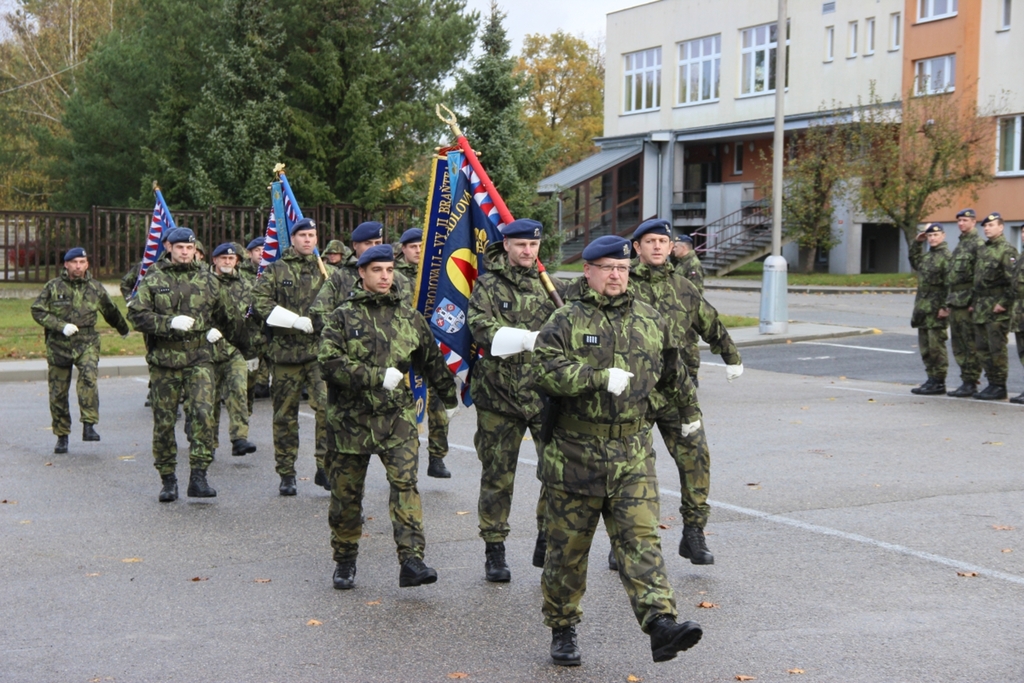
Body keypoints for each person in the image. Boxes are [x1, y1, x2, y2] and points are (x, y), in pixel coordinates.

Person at [533, 234, 703, 666]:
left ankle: (661, 623)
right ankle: (562, 626)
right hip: (575, 455)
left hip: (632, 454)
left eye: (623, 268)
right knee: (567, 552)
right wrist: (596, 378)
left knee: (641, 540)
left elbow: (674, 374)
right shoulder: (565, 319)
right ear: (588, 271)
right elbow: (544, 371)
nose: (616, 275)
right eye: (608, 268)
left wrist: (688, 416)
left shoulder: (649, 319)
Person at [318, 244, 457, 590]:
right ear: (362, 273)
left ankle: (411, 559)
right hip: (350, 422)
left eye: (389, 270)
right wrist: (375, 376)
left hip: (397, 420)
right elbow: (329, 363)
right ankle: (345, 558)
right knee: (346, 496)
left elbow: (432, 360)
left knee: (405, 486)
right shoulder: (342, 317)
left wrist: (450, 397)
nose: (385, 277)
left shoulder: (409, 317)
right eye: (377, 270)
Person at [628, 218, 742, 567]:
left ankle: (694, 532)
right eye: (650, 241)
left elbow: (710, 321)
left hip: (677, 392)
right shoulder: (622, 282)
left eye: (663, 241)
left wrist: (731, 356)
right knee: (631, 470)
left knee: (696, 459)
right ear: (637, 247)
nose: (658, 246)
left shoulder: (683, 286)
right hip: (633, 393)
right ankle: (627, 540)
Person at [468, 218, 566, 582]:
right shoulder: (488, 285)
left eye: (533, 245)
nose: (528, 251)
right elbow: (480, 327)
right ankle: (494, 549)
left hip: (544, 395)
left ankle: (546, 536)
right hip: (499, 396)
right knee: (497, 477)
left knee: (555, 471)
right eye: (521, 244)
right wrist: (524, 338)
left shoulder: (551, 285)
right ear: (506, 245)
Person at [127, 228, 233, 501]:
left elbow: (226, 315)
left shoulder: (208, 279)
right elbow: (136, 315)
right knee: (164, 422)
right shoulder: (154, 277)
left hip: (200, 358)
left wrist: (219, 331)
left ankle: (198, 476)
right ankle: (168, 479)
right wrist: (168, 323)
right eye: (180, 247)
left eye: (189, 247)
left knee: (203, 415)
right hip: (165, 361)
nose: (185, 252)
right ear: (169, 247)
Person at [251, 217, 330, 495]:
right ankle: (286, 472)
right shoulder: (276, 269)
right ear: (292, 239)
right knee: (285, 415)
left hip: (319, 354)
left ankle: (324, 466)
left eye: (312, 235)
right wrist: (292, 320)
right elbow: (259, 302)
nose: (308, 240)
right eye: (303, 235)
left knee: (327, 409)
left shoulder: (325, 270)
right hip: (286, 355)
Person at [31, 247, 130, 454]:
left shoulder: (95, 287)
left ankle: (89, 424)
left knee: (88, 378)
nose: (78, 266)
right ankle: (62, 435)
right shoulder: (53, 286)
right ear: (66, 264)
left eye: (82, 262)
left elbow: (110, 310)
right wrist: (60, 326)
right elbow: (38, 310)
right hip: (59, 344)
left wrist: (123, 329)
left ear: (87, 264)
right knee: (58, 391)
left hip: (87, 342)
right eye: (74, 262)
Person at [394, 227, 451, 478]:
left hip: (435, 350)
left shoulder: (437, 274)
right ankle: (408, 461)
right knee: (408, 411)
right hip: (407, 353)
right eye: (413, 246)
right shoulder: (394, 276)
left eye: (422, 246)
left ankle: (437, 458)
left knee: (439, 409)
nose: (418, 250)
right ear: (403, 249)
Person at [311, 221, 412, 332]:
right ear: (355, 245)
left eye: (378, 243)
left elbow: (410, 316)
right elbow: (318, 315)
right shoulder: (339, 278)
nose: (374, 248)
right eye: (368, 243)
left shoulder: (399, 279)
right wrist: (352, 327)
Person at [209, 243, 258, 456]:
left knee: (238, 390)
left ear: (237, 261)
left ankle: (239, 438)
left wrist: (252, 350)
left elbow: (253, 318)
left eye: (231, 259)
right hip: (207, 350)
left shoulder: (246, 285)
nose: (227, 262)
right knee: (209, 399)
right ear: (214, 260)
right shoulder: (203, 282)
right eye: (223, 258)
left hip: (235, 348)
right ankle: (208, 442)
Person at [971, 213, 1018, 400]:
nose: (987, 228)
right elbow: (978, 281)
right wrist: (974, 303)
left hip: (997, 307)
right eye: (985, 226)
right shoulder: (983, 250)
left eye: (991, 225)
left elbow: (1014, 281)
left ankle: (999, 385)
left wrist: (1004, 303)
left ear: (1001, 227)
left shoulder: (1007, 250)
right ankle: (991, 383)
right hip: (982, 306)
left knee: (996, 347)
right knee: (982, 347)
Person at [941, 209, 984, 397]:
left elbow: (980, 276)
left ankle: (971, 381)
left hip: (968, 302)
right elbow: (953, 278)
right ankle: (966, 379)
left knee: (970, 343)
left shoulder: (977, 245)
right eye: (959, 220)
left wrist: (975, 301)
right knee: (958, 344)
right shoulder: (961, 244)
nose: (961, 223)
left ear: (974, 222)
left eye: (965, 220)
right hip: (956, 301)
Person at [908, 224, 951, 395]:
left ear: (943, 235)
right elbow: (914, 261)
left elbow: (950, 284)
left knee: (936, 347)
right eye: (930, 235)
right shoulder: (927, 256)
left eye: (936, 235)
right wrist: (917, 243)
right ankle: (931, 378)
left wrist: (945, 306)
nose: (932, 238)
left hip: (936, 308)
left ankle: (939, 381)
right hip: (923, 308)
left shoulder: (946, 257)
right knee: (925, 347)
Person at [240, 237, 271, 400]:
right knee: (250, 373)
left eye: (264, 250)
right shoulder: (241, 274)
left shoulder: (273, 271)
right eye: (257, 250)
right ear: (249, 253)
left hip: (271, 328)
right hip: (251, 330)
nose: (261, 253)